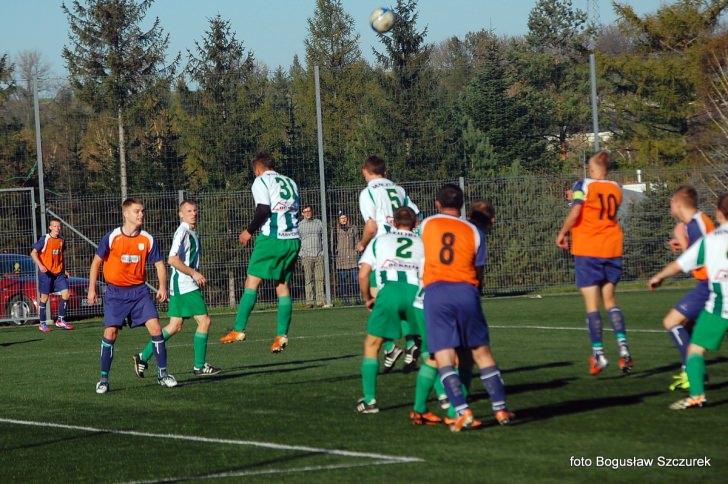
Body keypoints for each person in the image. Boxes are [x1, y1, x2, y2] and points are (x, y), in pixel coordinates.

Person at [420, 184, 514, 431]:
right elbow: (479, 269)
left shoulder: (427, 224)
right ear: (461, 206)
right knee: (481, 352)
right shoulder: (473, 230)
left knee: (444, 356)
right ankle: (501, 408)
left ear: (437, 204)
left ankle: (462, 411)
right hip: (466, 290)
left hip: (437, 292)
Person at [355, 206, 442, 425]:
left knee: (372, 344)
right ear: (415, 224)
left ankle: (370, 401)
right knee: (427, 348)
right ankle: (444, 396)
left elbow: (363, 274)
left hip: (390, 292)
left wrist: (367, 298)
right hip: (417, 292)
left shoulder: (380, 240)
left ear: (393, 223)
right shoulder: (423, 243)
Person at [556, 151, 634, 375]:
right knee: (610, 300)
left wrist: (563, 232)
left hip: (588, 249)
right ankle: (624, 349)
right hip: (612, 247)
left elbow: (578, 209)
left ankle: (598, 354)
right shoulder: (616, 188)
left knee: (592, 305)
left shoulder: (583, 184)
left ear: (590, 170)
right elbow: (602, 211)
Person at [87, 198, 177, 394]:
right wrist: (91, 289)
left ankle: (163, 374)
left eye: (142, 211)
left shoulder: (147, 239)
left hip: (139, 292)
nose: (141, 215)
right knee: (110, 333)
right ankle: (103, 379)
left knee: (156, 328)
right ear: (126, 214)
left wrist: (162, 286)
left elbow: (160, 265)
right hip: (115, 293)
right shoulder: (111, 237)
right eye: (137, 211)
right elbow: (96, 263)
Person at [648, 193, 728, 410]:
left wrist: (659, 276)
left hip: (717, 299)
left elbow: (685, 263)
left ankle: (695, 392)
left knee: (691, 346)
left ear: (719, 213)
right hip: (713, 295)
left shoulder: (709, 236)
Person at [220, 152, 301, 353]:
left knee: (252, 282)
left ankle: (238, 329)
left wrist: (248, 231)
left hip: (272, 239)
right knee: (282, 286)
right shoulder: (290, 182)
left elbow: (264, 209)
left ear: (257, 170)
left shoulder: (260, 181)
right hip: (293, 239)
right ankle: (281, 335)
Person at [133, 200, 222, 378]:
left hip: (183, 284)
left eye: (195, 210)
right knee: (204, 321)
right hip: (184, 284)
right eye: (188, 211)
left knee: (174, 326)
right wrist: (194, 273)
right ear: (180, 214)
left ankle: (142, 357)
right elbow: (172, 259)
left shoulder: (191, 231)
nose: (193, 213)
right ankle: (199, 366)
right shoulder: (182, 232)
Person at [357, 155, 420, 371]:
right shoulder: (399, 190)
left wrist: (362, 243)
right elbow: (415, 214)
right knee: (403, 297)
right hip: (405, 245)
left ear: (365, 170)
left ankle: (391, 347)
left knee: (378, 300)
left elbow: (372, 226)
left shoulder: (368, 192)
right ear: (385, 170)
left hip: (383, 250)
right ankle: (410, 344)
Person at [661, 185, 715, 391]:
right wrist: (682, 241)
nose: (670, 207)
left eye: (671, 203)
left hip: (710, 285)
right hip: (709, 283)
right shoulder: (697, 222)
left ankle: (691, 373)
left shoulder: (696, 224)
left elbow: (698, 260)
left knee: (671, 322)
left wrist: (681, 239)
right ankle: (692, 370)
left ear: (678, 203)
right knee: (687, 327)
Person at [30, 218, 74, 331]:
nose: (57, 228)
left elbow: (60, 256)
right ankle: (42, 323)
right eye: (55, 226)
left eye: (59, 226)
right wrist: (40, 265)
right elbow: (33, 253)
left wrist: (64, 270)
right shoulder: (45, 239)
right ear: (50, 227)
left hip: (59, 273)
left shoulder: (62, 239)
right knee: (44, 297)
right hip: (46, 274)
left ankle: (60, 320)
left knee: (66, 294)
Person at [298, 205, 326, 308]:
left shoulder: (318, 223)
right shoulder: (299, 226)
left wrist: (322, 252)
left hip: (319, 255)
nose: (307, 213)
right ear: (302, 213)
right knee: (308, 280)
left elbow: (323, 237)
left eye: (309, 211)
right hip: (307, 256)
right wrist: (302, 254)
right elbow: (297, 241)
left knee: (320, 279)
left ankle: (320, 301)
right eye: (305, 211)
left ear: (312, 212)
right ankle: (309, 301)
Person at [332, 211, 360, 306]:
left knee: (355, 279)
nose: (343, 219)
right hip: (341, 258)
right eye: (341, 218)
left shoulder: (353, 228)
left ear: (347, 218)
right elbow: (333, 243)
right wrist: (336, 252)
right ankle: (345, 299)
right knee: (343, 280)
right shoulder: (336, 230)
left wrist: (356, 251)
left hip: (352, 257)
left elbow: (357, 241)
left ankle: (357, 298)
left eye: (345, 217)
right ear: (338, 220)